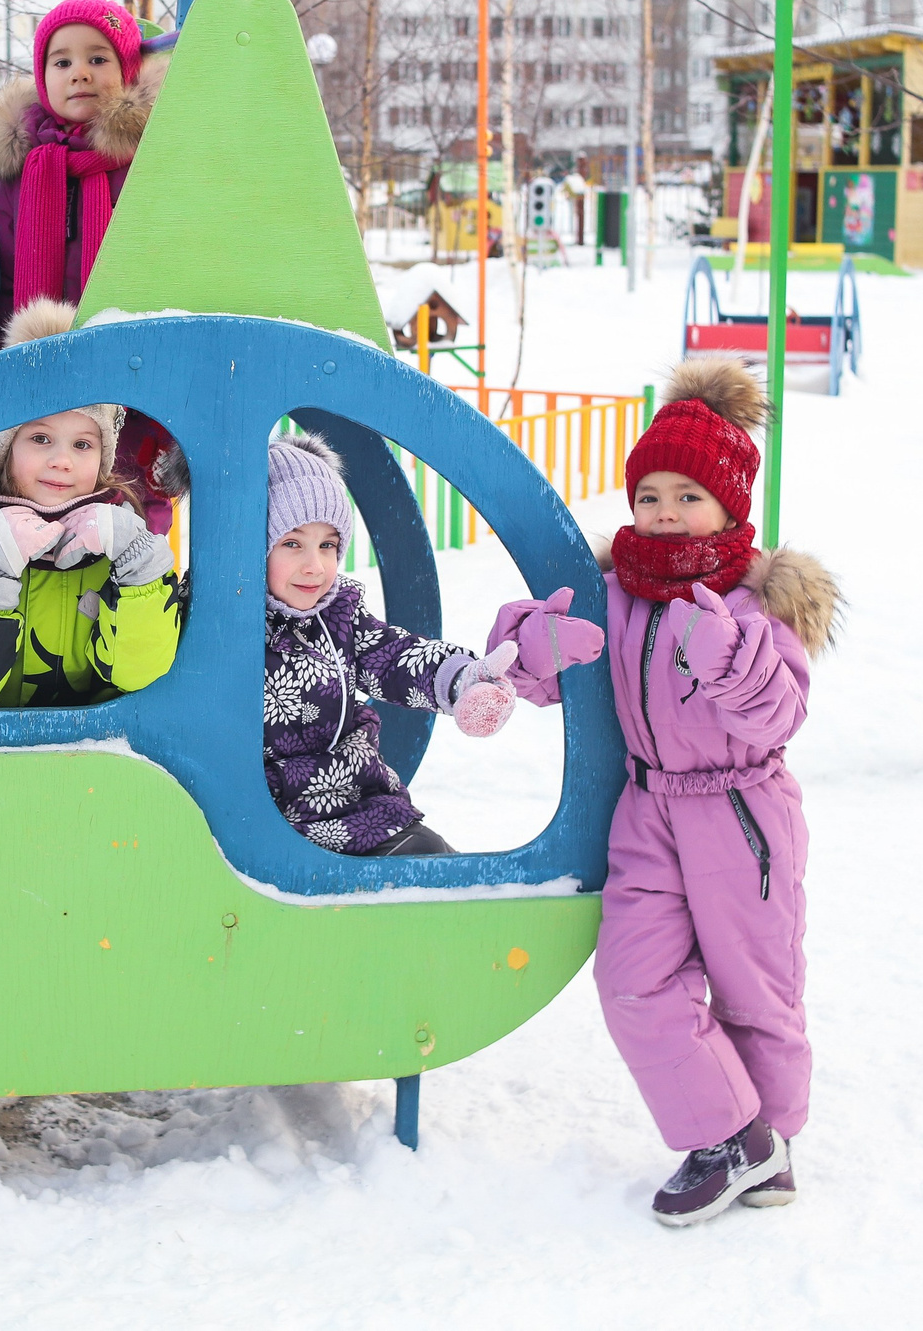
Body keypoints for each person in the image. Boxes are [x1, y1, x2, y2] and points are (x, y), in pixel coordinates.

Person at [489, 357, 838, 1227]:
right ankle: (736, 1136)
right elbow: (544, 676)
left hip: (742, 816)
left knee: (755, 989)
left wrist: (732, 663)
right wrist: (536, 648)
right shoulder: (616, 594)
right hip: (648, 813)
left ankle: (771, 1145)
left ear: (730, 506)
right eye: (650, 495)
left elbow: (781, 712)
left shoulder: (754, 604)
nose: (666, 511)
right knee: (633, 979)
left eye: (689, 495)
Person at [258, 432, 528, 857]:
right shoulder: (221, 624)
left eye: (327, 545)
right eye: (292, 543)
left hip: (358, 801)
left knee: (433, 862)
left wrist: (462, 680)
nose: (315, 566)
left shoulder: (339, 616)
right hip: (266, 814)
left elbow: (395, 657)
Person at [0, 300, 182, 709]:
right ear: (5, 449)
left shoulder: (118, 548)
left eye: (82, 444)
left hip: (96, 746)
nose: (62, 460)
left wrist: (139, 564)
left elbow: (140, 673)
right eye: (40, 439)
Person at [0, 0, 180, 521]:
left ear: (126, 70)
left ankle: (133, 570)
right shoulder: (23, 171)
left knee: (129, 494)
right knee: (35, 492)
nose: (79, 72)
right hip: (35, 366)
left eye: (98, 59)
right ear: (43, 77)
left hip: (126, 365)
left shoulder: (149, 164)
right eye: (61, 61)